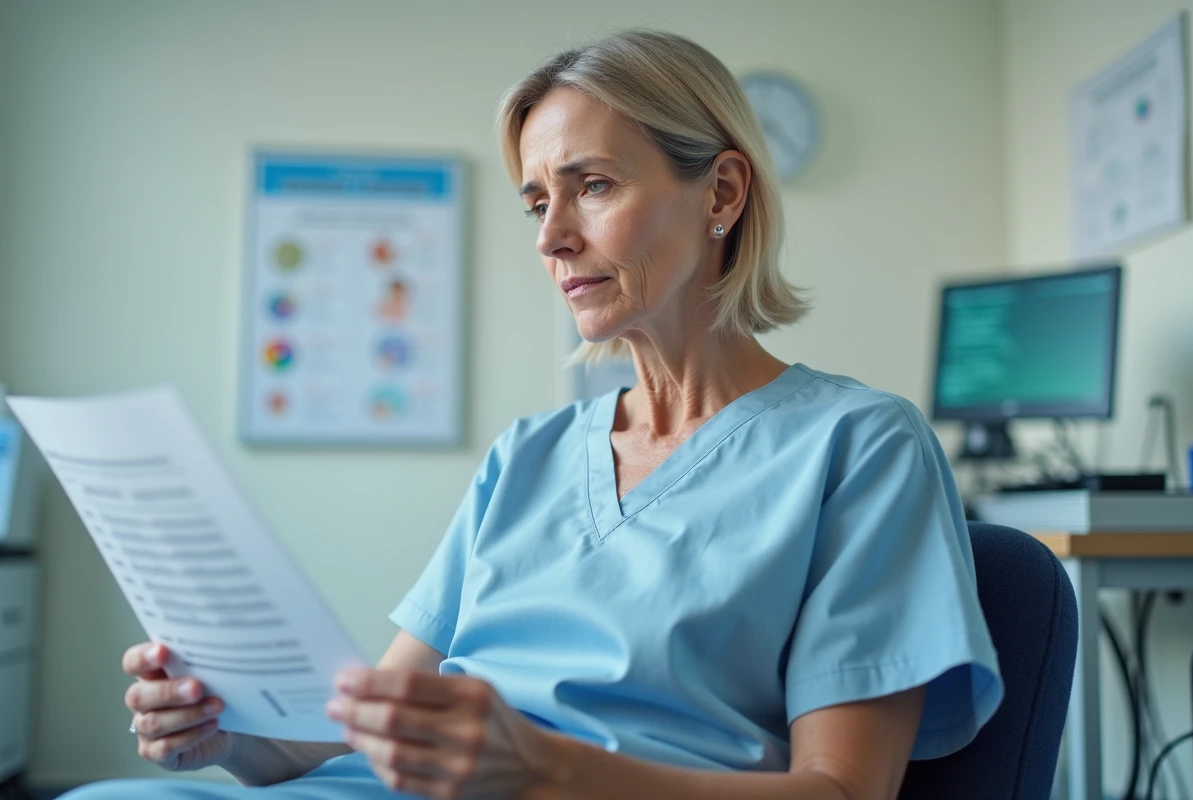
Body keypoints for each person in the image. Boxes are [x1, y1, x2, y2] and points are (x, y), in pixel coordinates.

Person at [66, 29, 1001, 800]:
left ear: (720, 193)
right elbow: (356, 731)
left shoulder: (860, 447)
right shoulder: (529, 456)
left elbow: (843, 794)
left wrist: (541, 768)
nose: (553, 237)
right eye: (536, 202)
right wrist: (224, 733)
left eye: (592, 186)